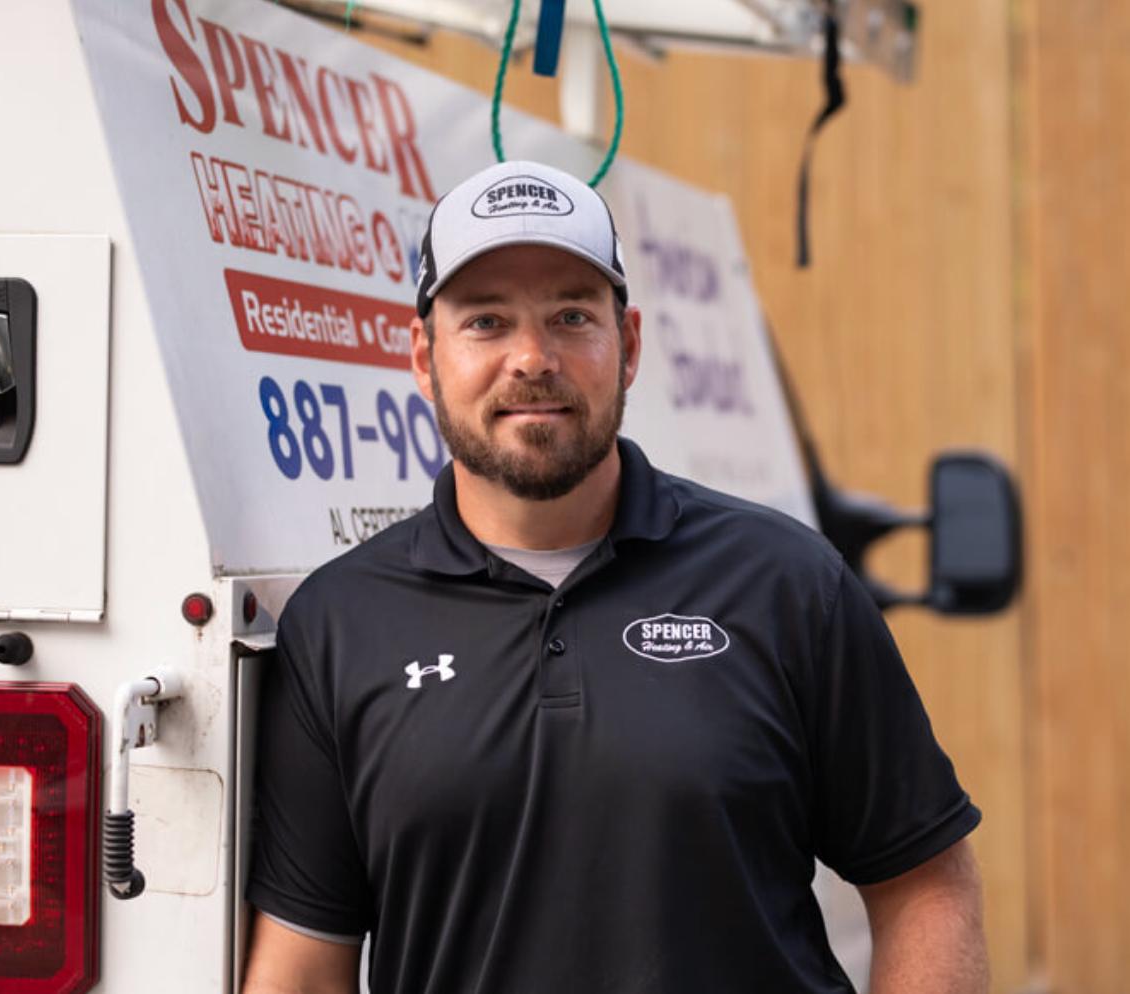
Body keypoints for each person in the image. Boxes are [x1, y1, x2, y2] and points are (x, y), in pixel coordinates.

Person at [242, 160, 989, 994]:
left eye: (571, 316)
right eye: (486, 321)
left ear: (628, 345)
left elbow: (926, 885)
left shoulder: (789, 584)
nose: (533, 358)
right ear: (424, 357)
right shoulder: (340, 625)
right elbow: (302, 967)